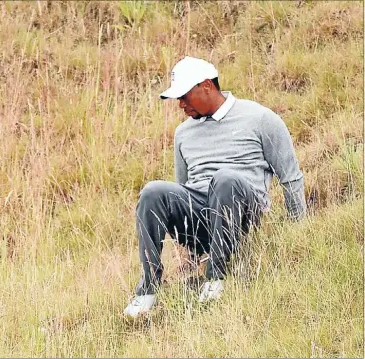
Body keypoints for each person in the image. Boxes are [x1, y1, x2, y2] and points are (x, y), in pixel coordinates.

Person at [124, 56, 306, 319]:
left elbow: (290, 177)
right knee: (153, 191)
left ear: (207, 85)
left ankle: (216, 279)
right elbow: (183, 189)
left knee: (224, 179)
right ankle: (147, 289)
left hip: (245, 215)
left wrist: (297, 235)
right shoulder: (183, 133)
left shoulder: (261, 118)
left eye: (185, 96)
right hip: (202, 223)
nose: (180, 104)